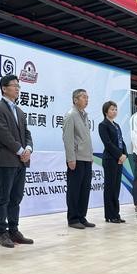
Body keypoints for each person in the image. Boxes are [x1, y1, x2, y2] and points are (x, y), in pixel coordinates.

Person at [0, 75, 34, 248]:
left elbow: (27, 133)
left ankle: (14, 230)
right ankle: (2, 232)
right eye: (14, 85)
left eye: (18, 86)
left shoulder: (20, 111)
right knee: (4, 198)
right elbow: (3, 134)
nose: (17, 88)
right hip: (7, 160)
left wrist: (28, 149)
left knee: (16, 197)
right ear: (4, 88)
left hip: (21, 162)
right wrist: (20, 151)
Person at [62, 89, 95, 229]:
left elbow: (86, 138)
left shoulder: (84, 115)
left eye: (87, 97)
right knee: (74, 190)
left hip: (86, 158)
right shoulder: (71, 115)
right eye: (83, 97)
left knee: (84, 189)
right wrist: (71, 158)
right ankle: (73, 218)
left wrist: (90, 155)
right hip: (76, 158)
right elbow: (68, 138)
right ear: (75, 100)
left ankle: (82, 216)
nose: (87, 100)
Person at [98, 101, 127, 223]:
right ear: (106, 111)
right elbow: (108, 143)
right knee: (110, 187)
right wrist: (119, 155)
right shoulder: (103, 125)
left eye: (115, 109)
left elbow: (121, 141)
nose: (114, 111)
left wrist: (125, 154)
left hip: (119, 159)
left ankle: (116, 214)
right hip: (110, 159)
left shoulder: (117, 125)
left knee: (116, 187)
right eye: (112, 109)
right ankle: (109, 215)